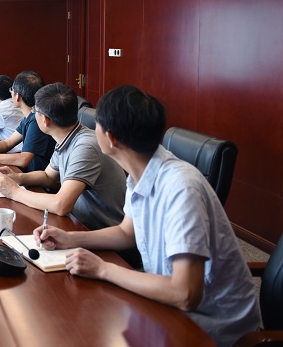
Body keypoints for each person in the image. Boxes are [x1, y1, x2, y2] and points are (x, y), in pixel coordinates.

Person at [34, 85, 260, 346]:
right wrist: (69, 238)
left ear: (111, 138)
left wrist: (103, 269)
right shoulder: (142, 170)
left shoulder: (181, 188)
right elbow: (126, 232)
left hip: (209, 329)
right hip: (168, 308)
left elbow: (185, 293)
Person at [0, 82, 126, 231]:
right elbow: (48, 176)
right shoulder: (68, 136)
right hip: (76, 222)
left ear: (45, 120)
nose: (33, 114)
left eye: (35, 111)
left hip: (99, 232)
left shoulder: (85, 146)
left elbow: (61, 205)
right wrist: (17, 177)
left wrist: (14, 192)